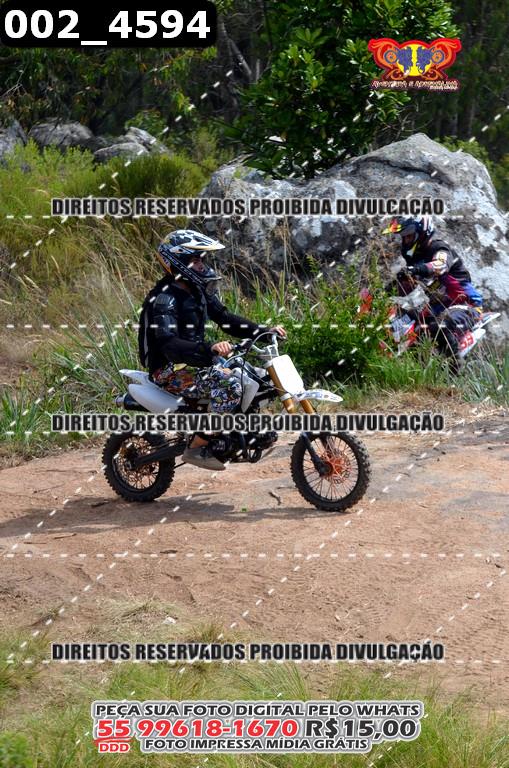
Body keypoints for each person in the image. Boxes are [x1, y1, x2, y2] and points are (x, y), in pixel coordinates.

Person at [138, 229, 286, 471]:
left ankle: (243, 432)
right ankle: (197, 446)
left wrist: (264, 331)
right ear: (178, 261)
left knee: (260, 378)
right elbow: (168, 344)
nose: (202, 265)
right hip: (169, 369)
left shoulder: (196, 290)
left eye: (202, 259)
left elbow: (225, 319)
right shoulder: (164, 299)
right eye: (196, 259)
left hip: (197, 361)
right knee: (230, 386)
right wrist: (209, 348)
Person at [382, 215, 483, 357]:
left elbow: (441, 265)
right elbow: (404, 288)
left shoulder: (439, 249)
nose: (405, 241)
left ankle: (455, 366)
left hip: (466, 305)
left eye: (409, 236)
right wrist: (382, 294)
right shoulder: (415, 261)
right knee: (400, 326)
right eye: (403, 237)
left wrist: (417, 269)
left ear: (421, 233)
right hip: (436, 309)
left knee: (439, 325)